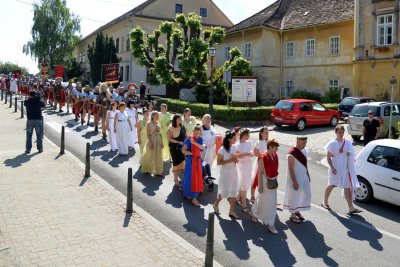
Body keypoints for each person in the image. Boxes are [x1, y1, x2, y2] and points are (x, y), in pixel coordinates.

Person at [322, 125, 362, 214]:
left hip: (345, 169)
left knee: (347, 187)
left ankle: (351, 208)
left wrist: (349, 154)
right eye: (339, 132)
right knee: (331, 185)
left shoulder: (347, 142)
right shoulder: (332, 143)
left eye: (342, 132)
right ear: (336, 132)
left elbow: (352, 153)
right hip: (335, 168)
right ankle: (324, 202)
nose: (341, 134)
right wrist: (332, 167)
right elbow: (328, 157)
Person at [250, 139, 280, 234]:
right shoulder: (262, 157)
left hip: (273, 181)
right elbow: (259, 172)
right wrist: (260, 186)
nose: (277, 149)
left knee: (263, 200)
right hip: (265, 182)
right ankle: (271, 224)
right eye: (275, 147)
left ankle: (254, 213)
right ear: (270, 146)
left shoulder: (275, 155)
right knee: (271, 203)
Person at [283, 136, 311, 224]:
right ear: (297, 141)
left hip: (304, 176)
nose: (305, 145)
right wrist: (294, 181)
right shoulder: (291, 153)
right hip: (295, 178)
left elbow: (305, 164)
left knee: (307, 194)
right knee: (295, 195)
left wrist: (308, 174)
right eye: (303, 143)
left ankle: (297, 209)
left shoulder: (305, 150)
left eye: (306, 143)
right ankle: (292, 214)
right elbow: (290, 169)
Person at [213, 131, 240, 219]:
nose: (235, 139)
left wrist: (236, 159)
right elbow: (218, 162)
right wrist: (231, 160)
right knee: (224, 191)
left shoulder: (235, 147)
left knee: (234, 191)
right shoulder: (222, 149)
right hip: (225, 172)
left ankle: (231, 211)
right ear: (229, 139)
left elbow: (236, 160)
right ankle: (216, 205)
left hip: (234, 171)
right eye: (233, 138)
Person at [182, 125, 205, 206]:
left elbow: (203, 147)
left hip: (198, 161)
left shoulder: (200, 139)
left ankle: (193, 196)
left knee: (196, 178)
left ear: (200, 133)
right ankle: (191, 195)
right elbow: (183, 150)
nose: (196, 135)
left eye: (198, 133)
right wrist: (191, 153)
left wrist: (194, 143)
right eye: (195, 133)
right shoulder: (188, 140)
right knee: (190, 177)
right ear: (193, 132)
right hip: (190, 161)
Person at [236, 129, 254, 214]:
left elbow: (252, 152)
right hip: (241, 166)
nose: (249, 136)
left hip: (249, 165)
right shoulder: (237, 145)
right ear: (244, 135)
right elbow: (237, 157)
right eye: (248, 134)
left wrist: (251, 153)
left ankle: (237, 198)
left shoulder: (249, 143)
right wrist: (247, 154)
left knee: (245, 183)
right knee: (244, 185)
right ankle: (244, 206)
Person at [141, 112, 164, 176]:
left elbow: (161, 133)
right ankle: (146, 169)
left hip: (158, 140)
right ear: (152, 116)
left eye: (158, 116)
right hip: (152, 140)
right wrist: (150, 142)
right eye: (156, 116)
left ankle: (158, 171)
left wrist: (162, 142)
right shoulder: (149, 124)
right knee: (149, 155)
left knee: (158, 155)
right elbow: (148, 134)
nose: (157, 117)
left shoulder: (159, 123)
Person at [250, 126, 269, 203]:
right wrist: (263, 156)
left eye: (268, 133)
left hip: (267, 164)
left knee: (265, 180)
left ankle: (265, 197)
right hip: (260, 163)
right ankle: (252, 196)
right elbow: (255, 152)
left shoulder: (269, 142)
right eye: (265, 133)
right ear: (261, 133)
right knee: (256, 179)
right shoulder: (258, 142)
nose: (267, 134)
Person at [167, 114, 186, 185]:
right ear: (175, 120)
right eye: (179, 119)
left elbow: (186, 136)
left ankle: (178, 177)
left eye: (181, 119)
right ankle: (175, 178)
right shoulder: (171, 128)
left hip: (182, 147)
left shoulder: (183, 127)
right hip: (174, 148)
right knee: (176, 163)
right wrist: (178, 142)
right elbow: (169, 138)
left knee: (182, 162)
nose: (181, 120)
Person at [201, 114, 217, 179]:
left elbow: (216, 135)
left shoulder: (212, 127)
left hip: (212, 148)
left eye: (209, 118)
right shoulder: (201, 128)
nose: (208, 120)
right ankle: (203, 176)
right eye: (207, 118)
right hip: (204, 149)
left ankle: (209, 175)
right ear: (203, 119)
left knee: (210, 161)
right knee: (203, 162)